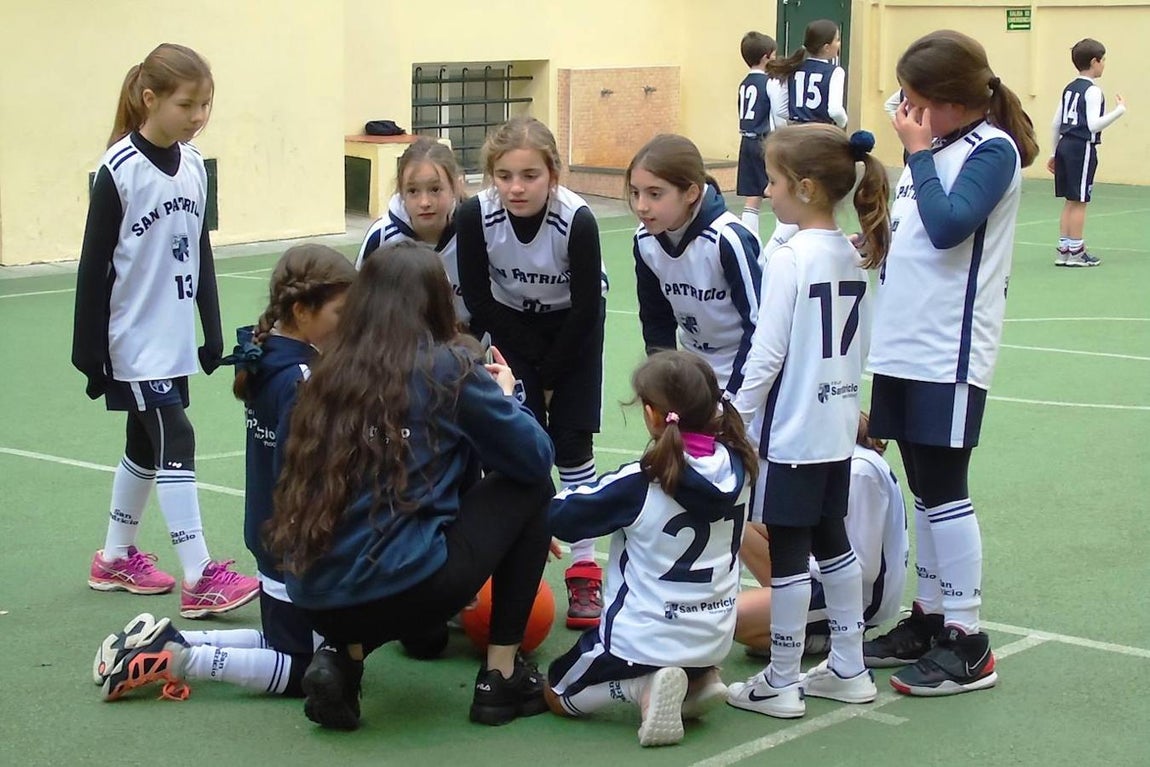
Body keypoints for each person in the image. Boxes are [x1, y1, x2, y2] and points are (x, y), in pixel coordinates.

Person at [265, 241, 554, 730]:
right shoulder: (447, 368)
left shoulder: (315, 377)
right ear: (438, 304)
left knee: (375, 544)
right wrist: (507, 399)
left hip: (313, 598)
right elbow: (533, 457)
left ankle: (344, 658)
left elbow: (289, 482)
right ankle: (500, 676)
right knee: (532, 487)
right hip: (407, 588)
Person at [92, 244, 358, 702]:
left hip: (269, 533)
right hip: (294, 545)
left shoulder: (267, 356)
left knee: (288, 643)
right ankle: (180, 659)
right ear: (302, 310)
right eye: (340, 312)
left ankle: (170, 642)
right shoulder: (300, 379)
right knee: (307, 670)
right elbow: (302, 475)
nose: (348, 323)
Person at [864, 29, 1039, 697]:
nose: (902, 111)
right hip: (904, 345)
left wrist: (914, 153)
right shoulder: (932, 149)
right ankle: (929, 617)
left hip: (950, 350)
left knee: (946, 488)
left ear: (950, 100)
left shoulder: (989, 150)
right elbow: (916, 235)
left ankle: (968, 641)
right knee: (922, 487)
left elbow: (949, 225)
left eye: (913, 99)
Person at [72, 43, 259, 619]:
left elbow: (198, 248)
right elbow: (93, 266)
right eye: (187, 104)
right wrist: (89, 352)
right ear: (149, 99)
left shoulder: (196, 164)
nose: (198, 116)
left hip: (172, 339)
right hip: (131, 344)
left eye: (206, 105)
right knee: (175, 437)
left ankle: (115, 557)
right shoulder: (118, 170)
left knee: (143, 444)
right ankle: (200, 575)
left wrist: (210, 328)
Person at [726, 124, 890, 719]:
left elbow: (767, 354)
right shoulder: (853, 251)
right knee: (832, 541)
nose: (765, 192)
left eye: (772, 182)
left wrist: (734, 418)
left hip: (792, 431)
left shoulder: (793, 258)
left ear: (804, 186)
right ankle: (848, 665)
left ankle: (784, 679)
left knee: (792, 554)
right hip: (836, 426)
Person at [545, 351, 756, 747]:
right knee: (687, 642)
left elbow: (562, 516)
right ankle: (698, 680)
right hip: (713, 636)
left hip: (641, 641)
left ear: (652, 415)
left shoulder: (643, 481)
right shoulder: (741, 467)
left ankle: (640, 686)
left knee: (556, 691)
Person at [456, 117, 608, 629]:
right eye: (504, 176)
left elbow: (588, 309)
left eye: (529, 176)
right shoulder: (475, 214)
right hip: (510, 326)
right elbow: (478, 298)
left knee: (571, 444)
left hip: (574, 331)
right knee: (521, 444)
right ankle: (516, 555)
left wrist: (550, 374)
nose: (516, 187)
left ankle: (585, 569)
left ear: (553, 175)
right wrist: (524, 367)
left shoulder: (578, 221)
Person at [734, 412, 908, 655]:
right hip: (826, 574)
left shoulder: (859, 471)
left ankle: (820, 639)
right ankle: (789, 609)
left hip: (859, 597)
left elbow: (865, 569)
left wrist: (801, 562)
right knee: (743, 520)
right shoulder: (838, 457)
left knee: (732, 618)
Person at [628, 134, 761, 398]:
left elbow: (758, 325)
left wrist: (734, 395)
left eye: (655, 194)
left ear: (691, 193)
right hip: (695, 375)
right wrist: (666, 383)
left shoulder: (728, 239)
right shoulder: (645, 241)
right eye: (635, 193)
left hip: (746, 374)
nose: (641, 206)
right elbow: (655, 319)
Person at [356, 137, 471, 324]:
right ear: (401, 192)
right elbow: (358, 302)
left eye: (435, 189)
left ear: (456, 186)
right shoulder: (382, 236)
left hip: (465, 338)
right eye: (413, 191)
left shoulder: (476, 230)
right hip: (398, 342)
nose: (424, 202)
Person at [1049, 38, 1127, 267]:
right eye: (1103, 61)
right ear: (1095, 62)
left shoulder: (1069, 88)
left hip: (1065, 144)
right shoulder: (1092, 91)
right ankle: (1077, 251)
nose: (1104, 65)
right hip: (1081, 147)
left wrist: (1054, 152)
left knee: (1070, 200)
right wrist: (1119, 111)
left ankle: (1064, 249)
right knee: (1081, 200)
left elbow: (1055, 123)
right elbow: (1093, 125)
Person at [736, 31, 788, 235]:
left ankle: (750, 241)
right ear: (766, 57)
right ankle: (780, 240)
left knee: (752, 196)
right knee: (778, 190)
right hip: (764, 142)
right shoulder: (770, 83)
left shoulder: (744, 83)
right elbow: (778, 113)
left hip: (746, 141)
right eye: (774, 55)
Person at [768, 19, 847, 129]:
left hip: (796, 133)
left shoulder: (793, 67)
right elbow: (835, 111)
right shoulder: (835, 72)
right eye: (837, 40)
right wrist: (842, 123)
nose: (839, 44)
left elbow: (781, 111)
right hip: (820, 132)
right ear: (827, 47)